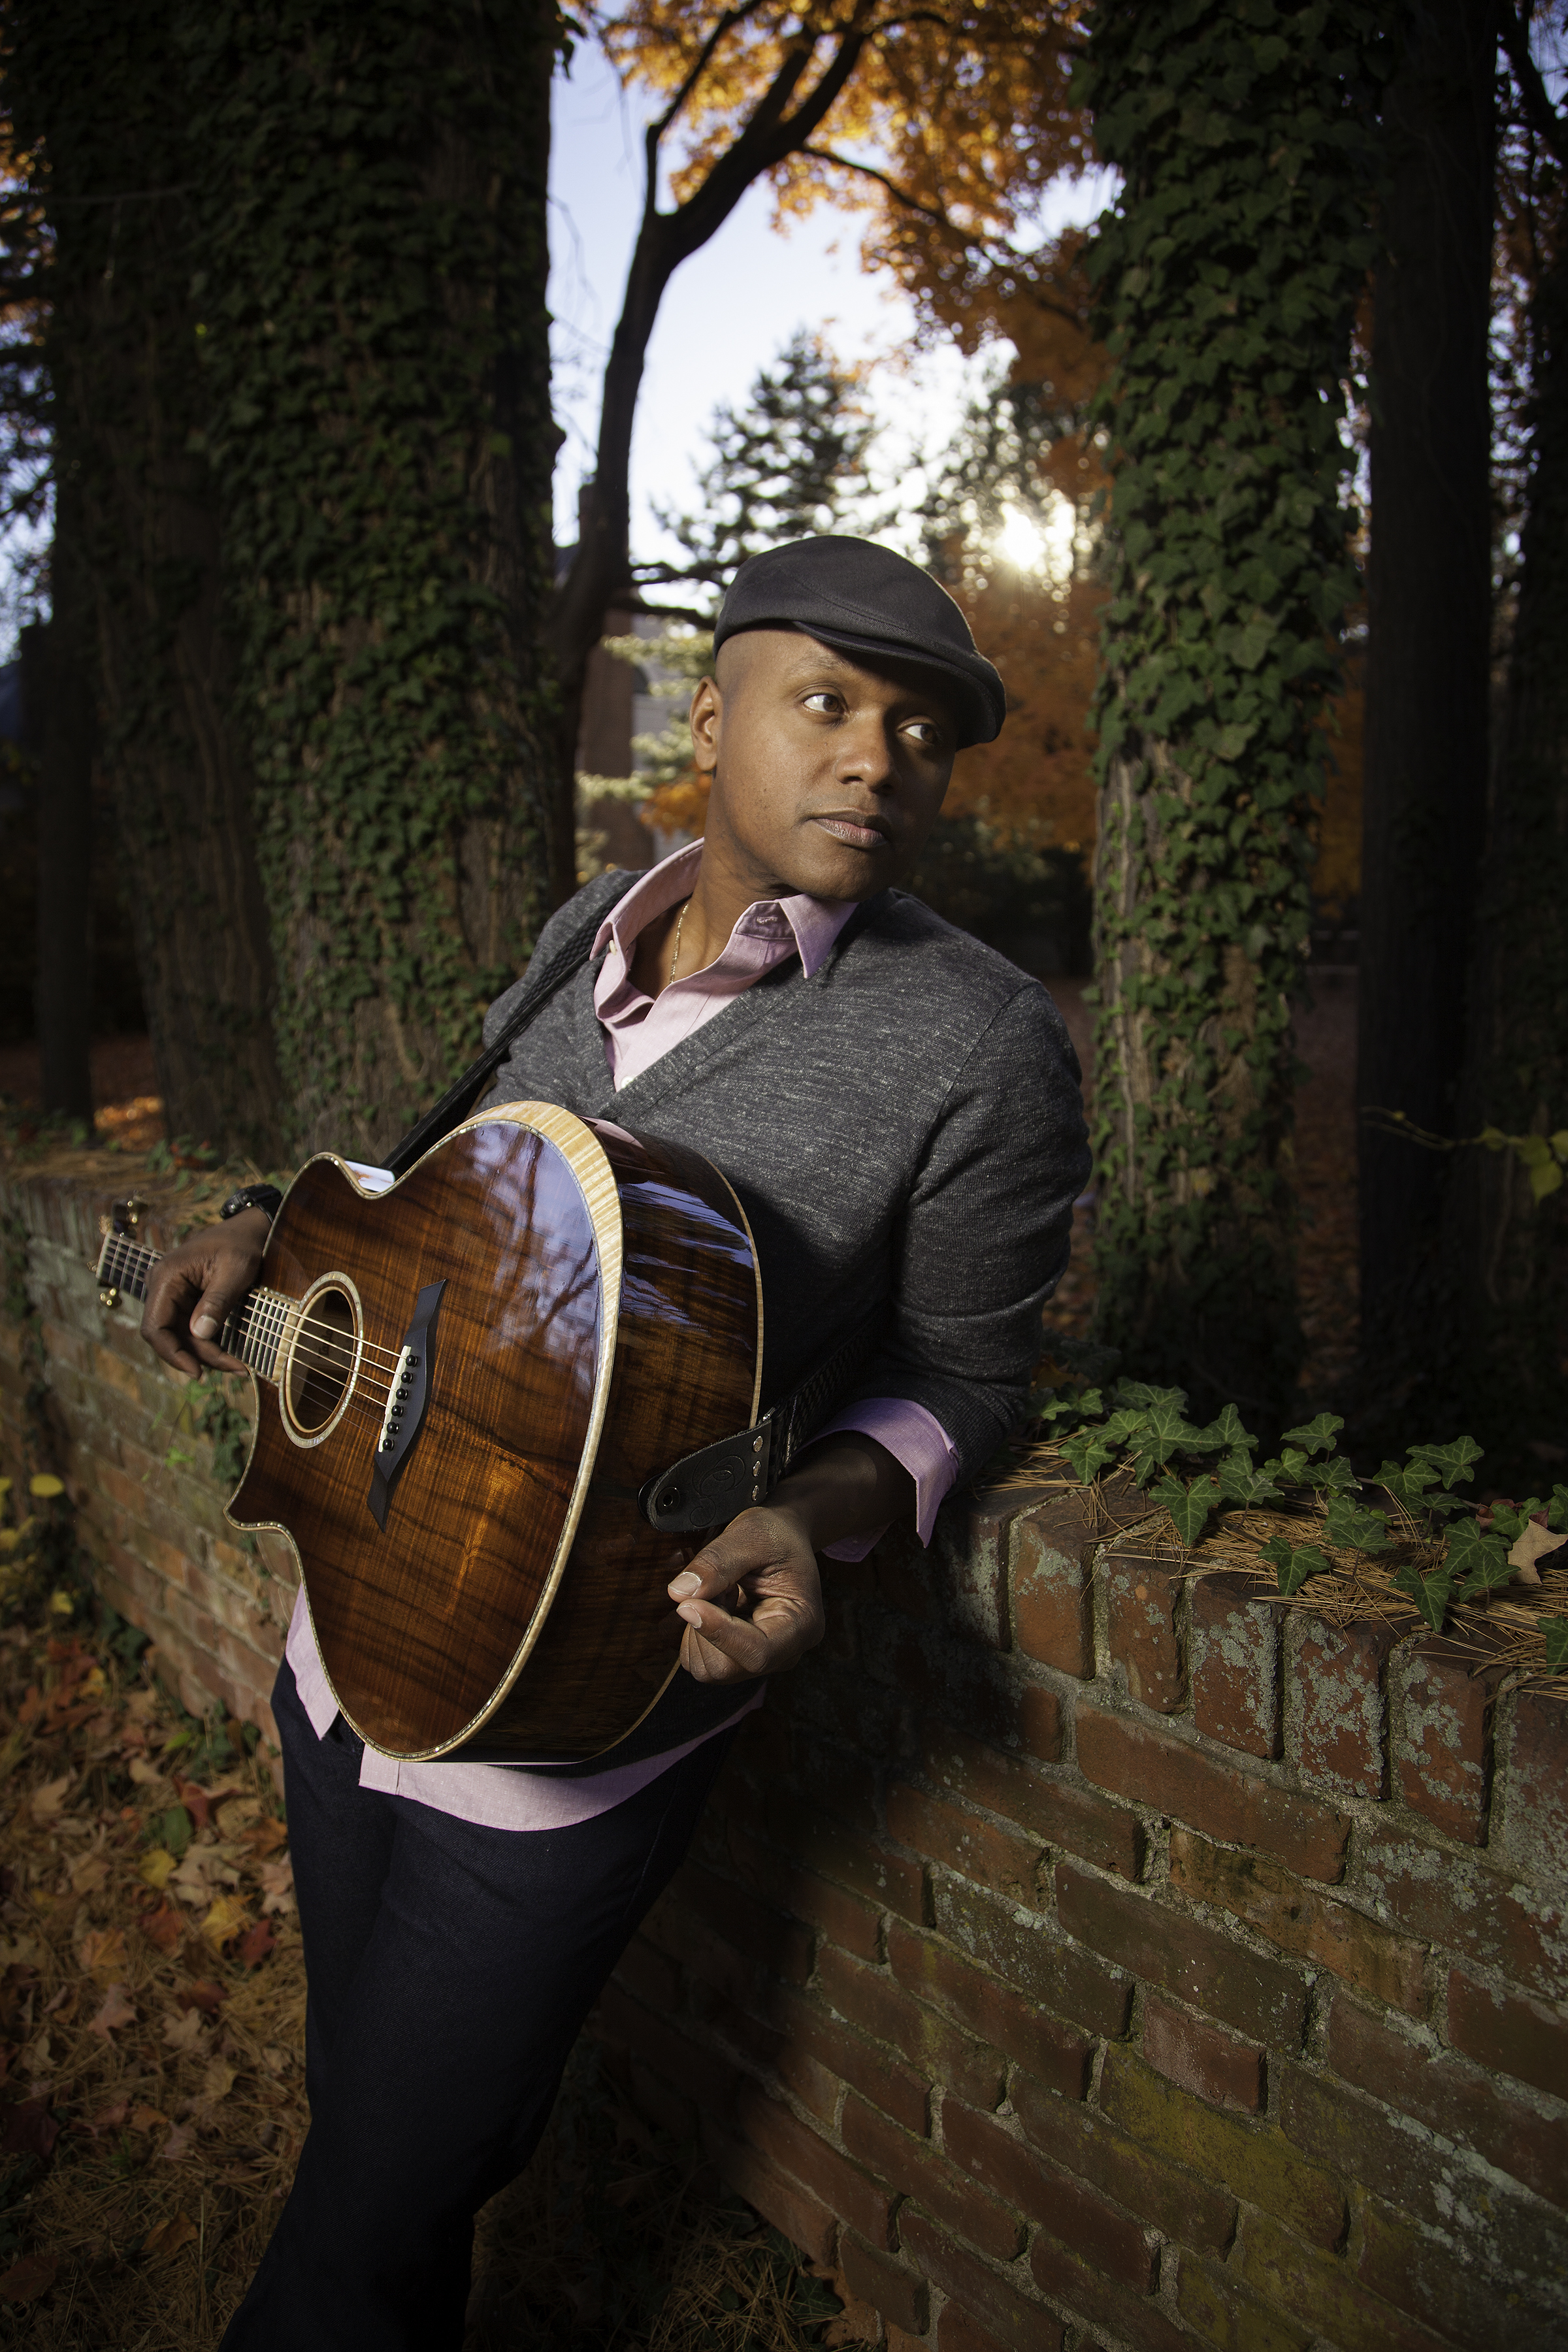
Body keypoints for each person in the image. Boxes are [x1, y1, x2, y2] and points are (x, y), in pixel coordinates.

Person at [139, 535, 1090, 2349]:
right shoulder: (588, 925)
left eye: (921, 732)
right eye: (828, 703)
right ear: (711, 715)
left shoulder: (980, 1042)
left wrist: (814, 1512)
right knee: (366, 2120)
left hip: (570, 1718)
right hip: (347, 1638)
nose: (877, 759)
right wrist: (271, 1218)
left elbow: (968, 1381)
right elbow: (446, 1189)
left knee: (383, 2187)